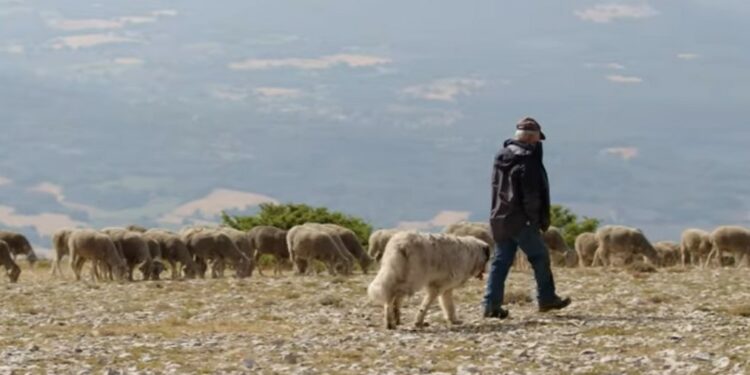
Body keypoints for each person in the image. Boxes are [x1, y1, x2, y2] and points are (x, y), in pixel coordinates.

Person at [484, 116, 571, 319]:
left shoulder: (501, 155)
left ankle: (491, 305)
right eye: (538, 139)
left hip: (500, 217)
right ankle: (546, 298)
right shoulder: (527, 160)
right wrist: (535, 219)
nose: (539, 143)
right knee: (540, 257)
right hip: (521, 219)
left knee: (501, 261)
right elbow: (531, 194)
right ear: (531, 138)